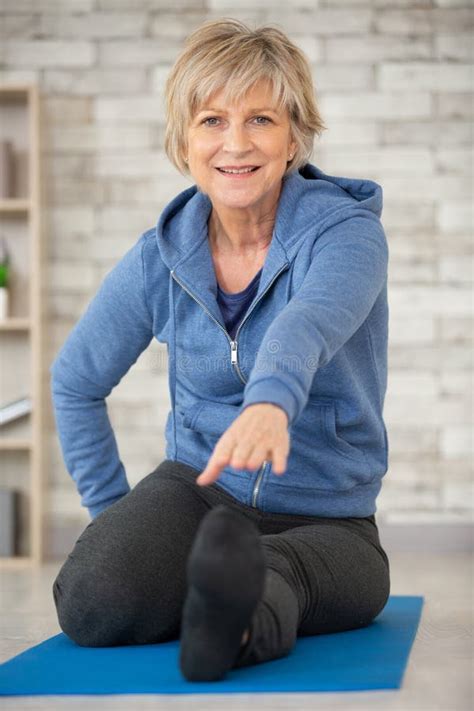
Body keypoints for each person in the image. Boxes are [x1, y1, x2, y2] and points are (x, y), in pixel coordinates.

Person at [50, 18, 391, 682]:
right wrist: (116, 519)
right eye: (211, 121)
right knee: (93, 600)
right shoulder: (162, 257)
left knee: (284, 580)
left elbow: (309, 323)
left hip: (328, 515)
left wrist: (271, 402)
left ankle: (234, 609)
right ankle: (207, 578)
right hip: (199, 492)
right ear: (184, 143)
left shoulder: (347, 236)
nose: (236, 143)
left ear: (294, 136)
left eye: (260, 118)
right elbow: (75, 380)